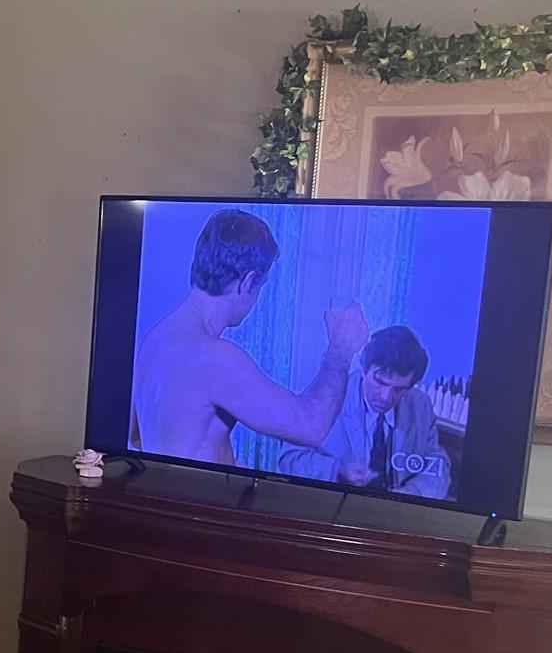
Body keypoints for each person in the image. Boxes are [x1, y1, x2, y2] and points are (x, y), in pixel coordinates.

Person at [132, 209, 368, 465]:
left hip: (162, 497)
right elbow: (311, 426)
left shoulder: (156, 339)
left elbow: (137, 436)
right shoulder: (214, 358)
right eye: (261, 285)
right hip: (197, 504)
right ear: (248, 281)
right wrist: (340, 350)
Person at [277, 325, 450, 499]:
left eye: (399, 389)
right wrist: (337, 470)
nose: (386, 397)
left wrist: (416, 491)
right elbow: (289, 458)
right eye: (380, 382)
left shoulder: (421, 405)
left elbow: (437, 463)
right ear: (364, 368)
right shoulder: (327, 396)